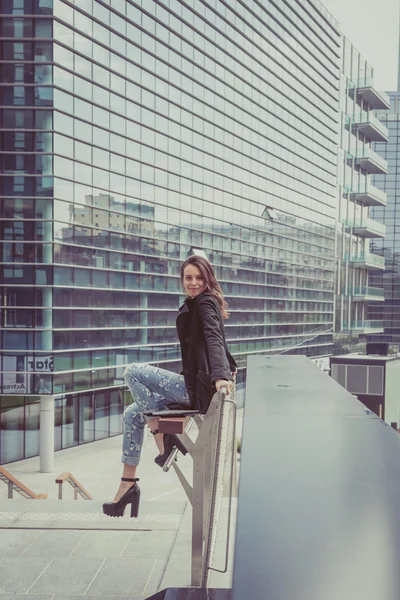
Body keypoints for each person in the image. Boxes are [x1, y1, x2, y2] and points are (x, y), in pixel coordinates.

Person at [102, 255, 237, 518]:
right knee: (131, 415)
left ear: (208, 279)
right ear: (182, 280)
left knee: (133, 371)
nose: (194, 283)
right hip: (194, 386)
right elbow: (214, 342)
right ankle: (127, 486)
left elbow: (213, 339)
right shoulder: (198, 303)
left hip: (198, 391)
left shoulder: (205, 303)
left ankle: (162, 438)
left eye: (199, 277)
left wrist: (221, 375)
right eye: (189, 278)